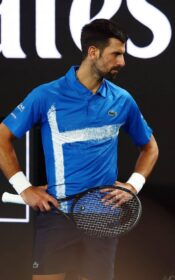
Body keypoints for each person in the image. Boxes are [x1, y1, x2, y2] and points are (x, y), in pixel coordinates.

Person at [0, 19, 159, 280]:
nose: (122, 62)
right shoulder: (46, 96)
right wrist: (24, 188)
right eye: (116, 54)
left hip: (102, 218)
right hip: (57, 217)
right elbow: (2, 137)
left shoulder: (123, 100)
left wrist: (133, 186)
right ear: (93, 52)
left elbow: (150, 147)